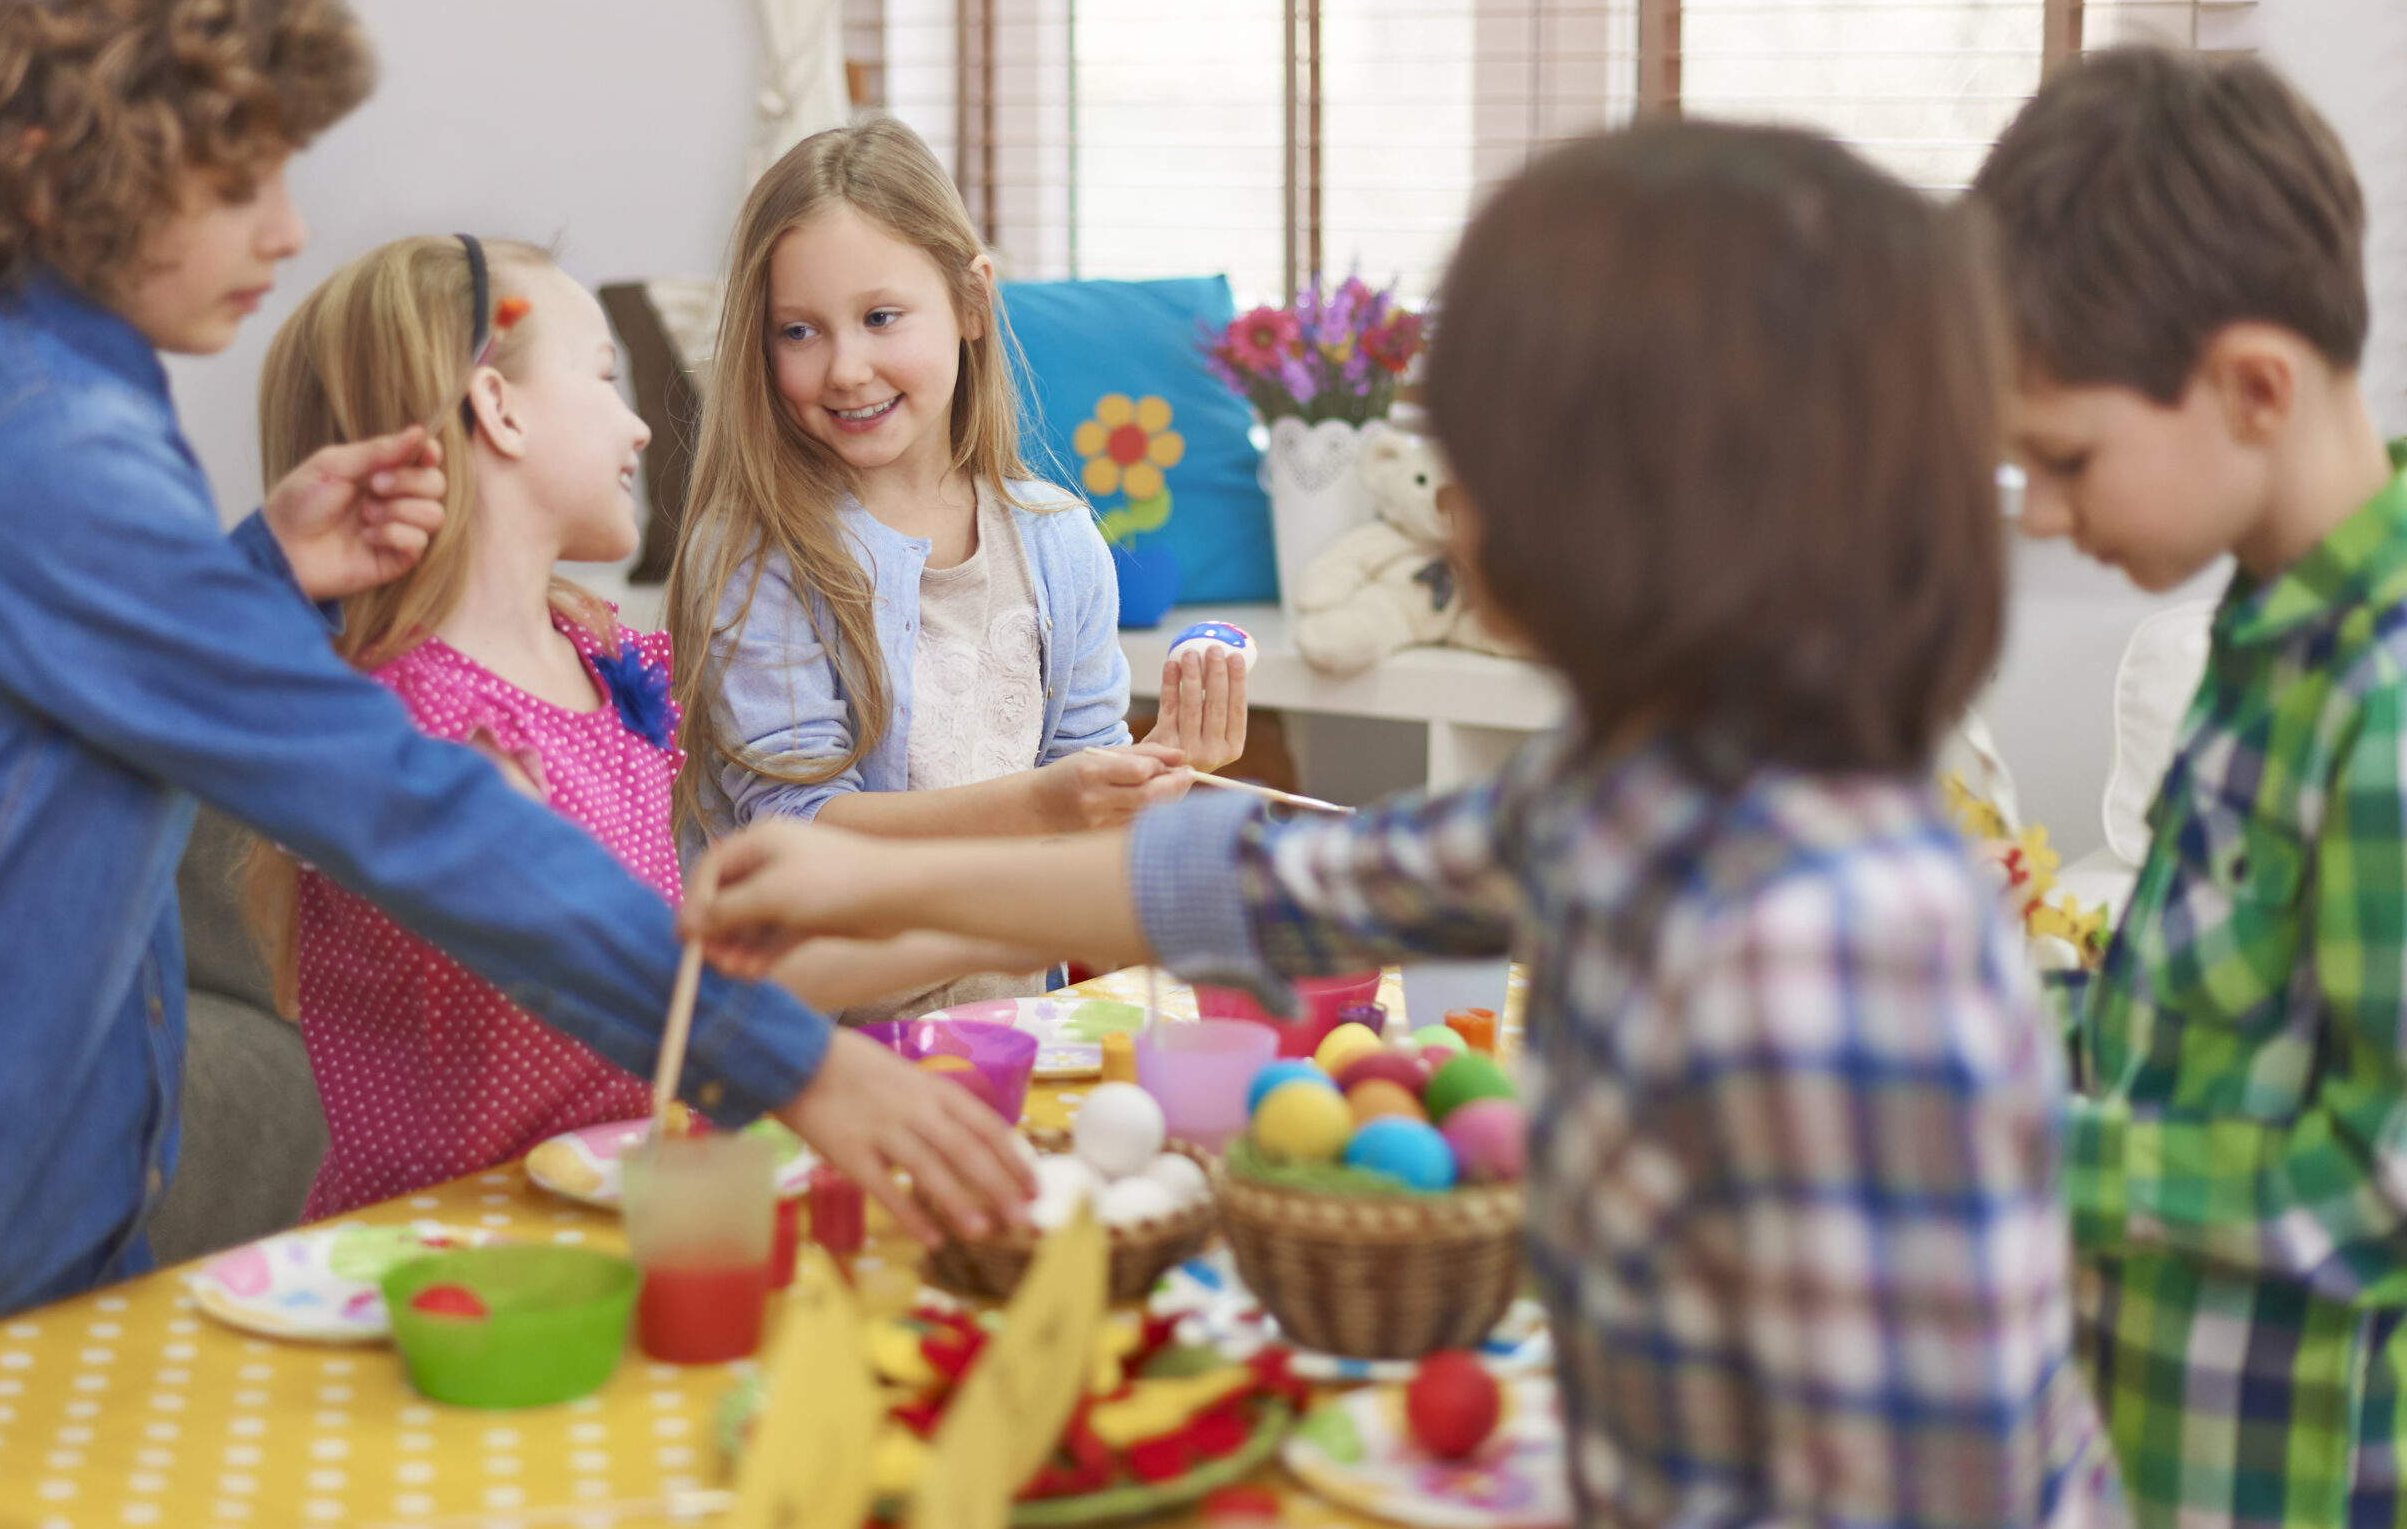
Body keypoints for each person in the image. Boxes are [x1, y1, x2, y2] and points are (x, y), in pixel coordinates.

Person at [689, 121, 2115, 1526]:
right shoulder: (1635, 796)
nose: (1441, 498)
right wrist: (860, 861)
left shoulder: (1819, 906)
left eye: (1479, 450)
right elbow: (1271, 885)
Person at [0, 0, 1023, 1356]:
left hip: (17, 1202)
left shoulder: (13, 387)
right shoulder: (37, 445)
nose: (284, 228)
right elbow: (395, 801)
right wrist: (787, 1059)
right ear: (46, 155)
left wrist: (249, 581)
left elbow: (44, 713)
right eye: (235, 178)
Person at [248, 236, 1056, 1217]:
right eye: (601, 375)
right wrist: (1040, 897)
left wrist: (1026, 909)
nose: (638, 427)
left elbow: (708, 972)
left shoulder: (595, 657)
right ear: (497, 409)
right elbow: (632, 978)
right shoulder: (409, 730)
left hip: (624, 1216)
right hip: (448, 1254)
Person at [1979, 46, 2406, 1527]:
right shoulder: (2256, 625)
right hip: (2142, 1443)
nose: (2039, 509)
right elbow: (2176, 1031)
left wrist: (2021, 1151)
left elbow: (2375, 1181)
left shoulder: (2389, 705)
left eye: (2065, 456)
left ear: (2254, 386)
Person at [665, 114, 1246, 1019]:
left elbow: (1089, 833)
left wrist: (1165, 772)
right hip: (809, 1053)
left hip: (1013, 1036)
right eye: (799, 331)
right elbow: (797, 828)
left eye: (881, 317)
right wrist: (1053, 803)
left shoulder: (1058, 543)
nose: (847, 367)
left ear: (973, 302)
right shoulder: (757, 552)